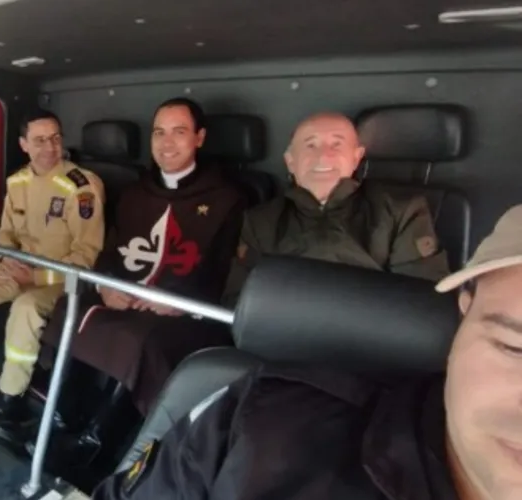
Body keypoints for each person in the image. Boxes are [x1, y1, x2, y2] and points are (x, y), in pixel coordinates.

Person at [92, 204, 522, 500]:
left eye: (336, 144)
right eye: (514, 347)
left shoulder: (395, 213)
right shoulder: (266, 422)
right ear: (464, 308)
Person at [29, 98, 246, 455]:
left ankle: (99, 440)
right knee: (74, 307)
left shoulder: (227, 198)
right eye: (159, 132)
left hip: (187, 311)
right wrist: (104, 287)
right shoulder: (135, 193)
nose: (166, 142)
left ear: (200, 138)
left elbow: (227, 272)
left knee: (143, 340)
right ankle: (63, 413)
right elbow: (111, 252)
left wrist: (179, 304)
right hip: (128, 296)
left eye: (179, 132)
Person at [0, 109, 106, 424]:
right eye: (40, 140)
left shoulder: (81, 186)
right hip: (21, 269)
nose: (50, 147)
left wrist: (38, 275)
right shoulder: (17, 182)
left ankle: (10, 394)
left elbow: (86, 254)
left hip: (62, 279)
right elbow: (4, 234)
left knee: (26, 307)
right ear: (23, 144)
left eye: (56, 138)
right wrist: (5, 258)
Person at [222, 112, 450, 304]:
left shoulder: (402, 212)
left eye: (337, 144)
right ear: (290, 161)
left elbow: (422, 303)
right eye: (310, 145)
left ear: (356, 157)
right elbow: (240, 302)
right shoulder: (260, 221)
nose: (323, 155)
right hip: (286, 343)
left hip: (375, 348)